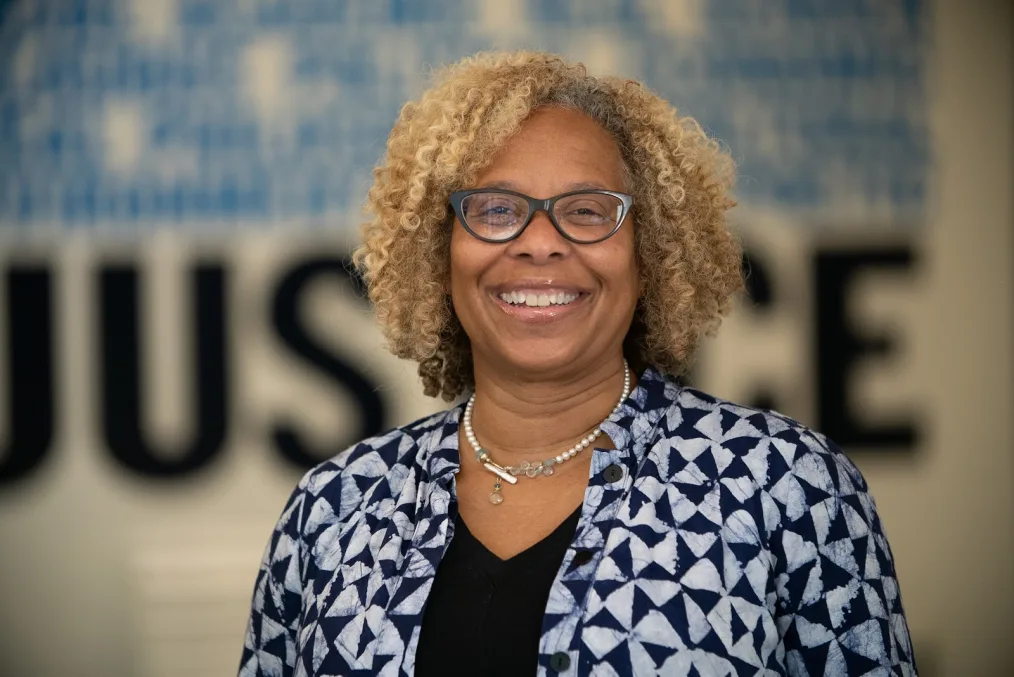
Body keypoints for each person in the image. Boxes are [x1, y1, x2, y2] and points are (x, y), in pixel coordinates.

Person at [239, 51, 915, 676]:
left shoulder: (785, 487)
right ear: (440, 255)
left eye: (587, 211)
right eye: (496, 209)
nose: (540, 243)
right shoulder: (334, 508)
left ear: (649, 255)